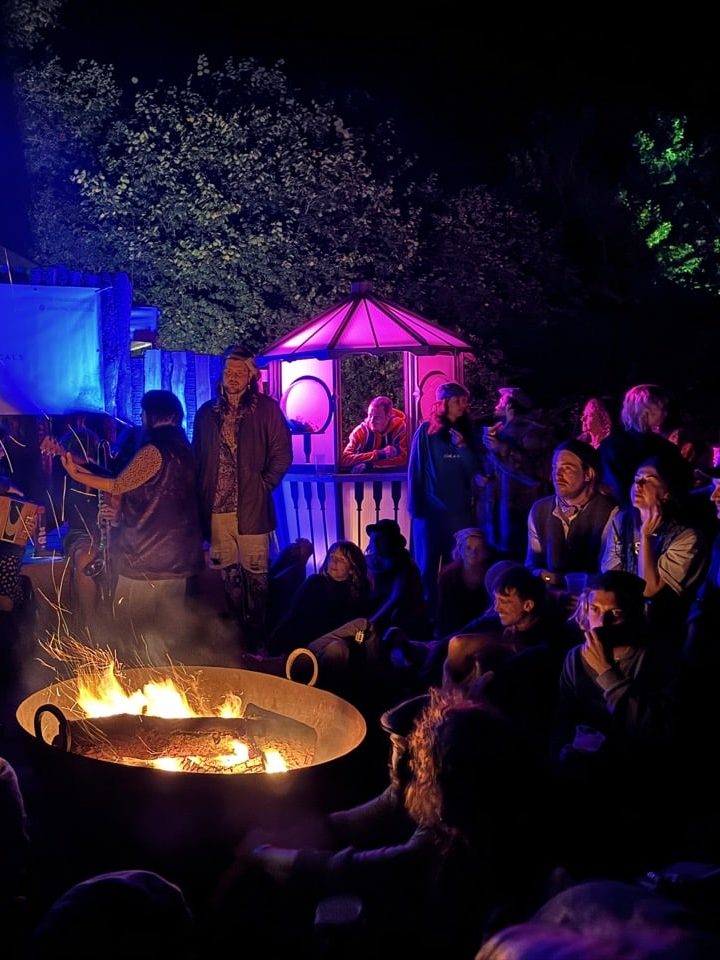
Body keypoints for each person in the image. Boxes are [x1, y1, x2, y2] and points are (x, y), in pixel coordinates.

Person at [60, 390, 205, 664]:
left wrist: (75, 473)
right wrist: (84, 464)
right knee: (167, 642)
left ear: (153, 415)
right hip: (179, 561)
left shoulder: (155, 450)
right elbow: (124, 476)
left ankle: (134, 688)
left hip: (146, 561)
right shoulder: (185, 448)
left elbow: (119, 484)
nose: (140, 418)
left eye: (143, 413)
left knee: (131, 635)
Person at [192, 345, 293, 650]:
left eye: (239, 373)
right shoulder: (206, 414)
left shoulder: (266, 409)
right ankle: (237, 635)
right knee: (230, 574)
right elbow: (198, 458)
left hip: (252, 507)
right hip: (217, 508)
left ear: (251, 376)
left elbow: (282, 452)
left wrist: (265, 484)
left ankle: (258, 636)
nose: (232, 378)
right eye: (228, 372)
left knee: (256, 574)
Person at [408, 381, 484, 618]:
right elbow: (415, 470)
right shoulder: (426, 432)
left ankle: (457, 613)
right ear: (444, 403)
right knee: (427, 565)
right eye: (458, 400)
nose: (464, 405)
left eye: (465, 400)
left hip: (458, 512)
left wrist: (462, 447)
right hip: (430, 511)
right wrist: (416, 507)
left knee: (459, 564)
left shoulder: (468, 432)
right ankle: (428, 616)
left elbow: (476, 469)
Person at [526, 439, 618, 588]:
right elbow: (532, 564)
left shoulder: (609, 512)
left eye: (567, 468)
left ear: (588, 474)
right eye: (555, 468)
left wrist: (565, 582)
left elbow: (609, 573)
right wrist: (541, 576)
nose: (557, 474)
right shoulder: (540, 510)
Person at [481, 385, 553, 561]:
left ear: (511, 405)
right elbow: (495, 470)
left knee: (520, 565)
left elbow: (536, 473)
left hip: (521, 516)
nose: (497, 403)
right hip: (499, 519)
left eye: (502, 399)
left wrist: (502, 450)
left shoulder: (533, 431)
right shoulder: (501, 430)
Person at [268, 540, 370, 654]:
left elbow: (358, 630)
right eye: (332, 556)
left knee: (356, 633)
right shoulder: (316, 582)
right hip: (308, 642)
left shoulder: (356, 594)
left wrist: (357, 644)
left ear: (352, 569)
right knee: (362, 624)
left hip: (334, 643)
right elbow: (293, 615)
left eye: (341, 559)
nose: (334, 561)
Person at [598, 384, 693, 506]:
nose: (666, 413)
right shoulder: (663, 448)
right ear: (647, 409)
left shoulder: (609, 446)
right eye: (662, 408)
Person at [340, 396, 408, 472]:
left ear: (388, 416)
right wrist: (378, 454)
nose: (371, 421)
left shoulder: (399, 427)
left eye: (377, 417)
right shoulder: (360, 432)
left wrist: (370, 465)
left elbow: (403, 458)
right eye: (369, 416)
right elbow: (345, 459)